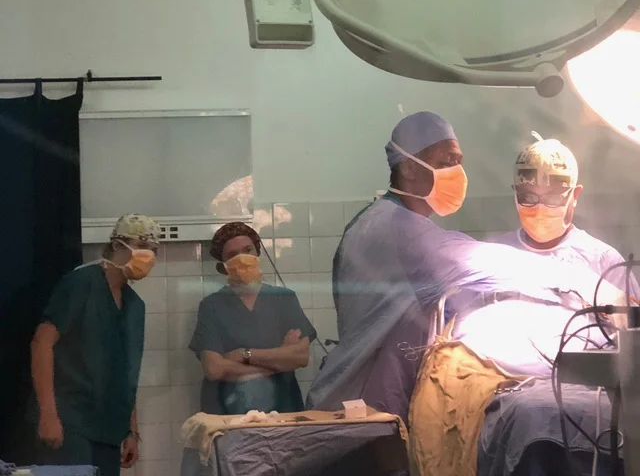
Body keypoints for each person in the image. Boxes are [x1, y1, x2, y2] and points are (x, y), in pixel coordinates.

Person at [306, 112, 625, 422]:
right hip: (356, 404)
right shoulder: (395, 228)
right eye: (446, 162)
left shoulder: (385, 220)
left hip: (372, 400)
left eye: (459, 161)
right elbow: (472, 261)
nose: (457, 172)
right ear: (409, 167)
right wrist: (580, 280)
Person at [30, 214, 161, 476]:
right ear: (117, 244)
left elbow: (126, 374)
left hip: (109, 429)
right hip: (70, 421)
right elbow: (41, 343)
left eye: (154, 250)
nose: (148, 255)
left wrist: (131, 431)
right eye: (141, 245)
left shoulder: (134, 305)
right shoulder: (81, 284)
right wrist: (48, 413)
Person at [490, 132, 640, 297]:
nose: (540, 209)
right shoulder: (493, 256)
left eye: (553, 198)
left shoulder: (603, 261)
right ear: (515, 193)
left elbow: (630, 313)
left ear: (574, 195)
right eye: (528, 197)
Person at [189, 222, 316, 415]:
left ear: (257, 253)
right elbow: (214, 369)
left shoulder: (284, 298)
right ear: (223, 266)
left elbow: (300, 357)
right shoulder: (212, 306)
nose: (242, 258)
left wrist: (244, 355)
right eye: (232, 255)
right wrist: (279, 360)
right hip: (227, 411)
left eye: (247, 250)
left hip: (282, 408)